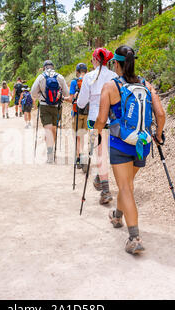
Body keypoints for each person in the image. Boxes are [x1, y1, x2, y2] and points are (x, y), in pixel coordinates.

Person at [94, 45, 166, 254]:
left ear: (115, 63)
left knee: (125, 187)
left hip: (120, 143)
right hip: (142, 144)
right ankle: (117, 216)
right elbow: (160, 114)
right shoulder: (146, 84)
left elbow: (101, 119)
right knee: (128, 184)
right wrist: (159, 135)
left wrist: (97, 130)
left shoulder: (110, 86)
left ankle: (134, 238)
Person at [77, 48, 117, 205]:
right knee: (106, 151)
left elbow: (81, 102)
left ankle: (106, 190)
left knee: (100, 153)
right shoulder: (114, 76)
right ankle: (101, 178)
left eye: (92, 59)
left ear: (95, 59)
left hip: (95, 119)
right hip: (112, 119)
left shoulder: (89, 76)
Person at [31, 60, 70, 163]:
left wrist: (41, 97)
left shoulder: (41, 77)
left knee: (48, 130)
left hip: (44, 106)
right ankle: (52, 150)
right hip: (57, 107)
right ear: (53, 67)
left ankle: (49, 154)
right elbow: (66, 93)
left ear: (44, 67)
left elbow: (33, 93)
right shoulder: (60, 77)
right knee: (53, 129)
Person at [66, 63, 89, 171]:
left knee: (77, 136)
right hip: (88, 113)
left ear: (77, 71)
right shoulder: (90, 80)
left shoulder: (74, 82)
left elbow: (71, 99)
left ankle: (78, 158)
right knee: (83, 135)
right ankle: (84, 155)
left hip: (77, 113)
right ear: (86, 71)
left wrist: (63, 98)